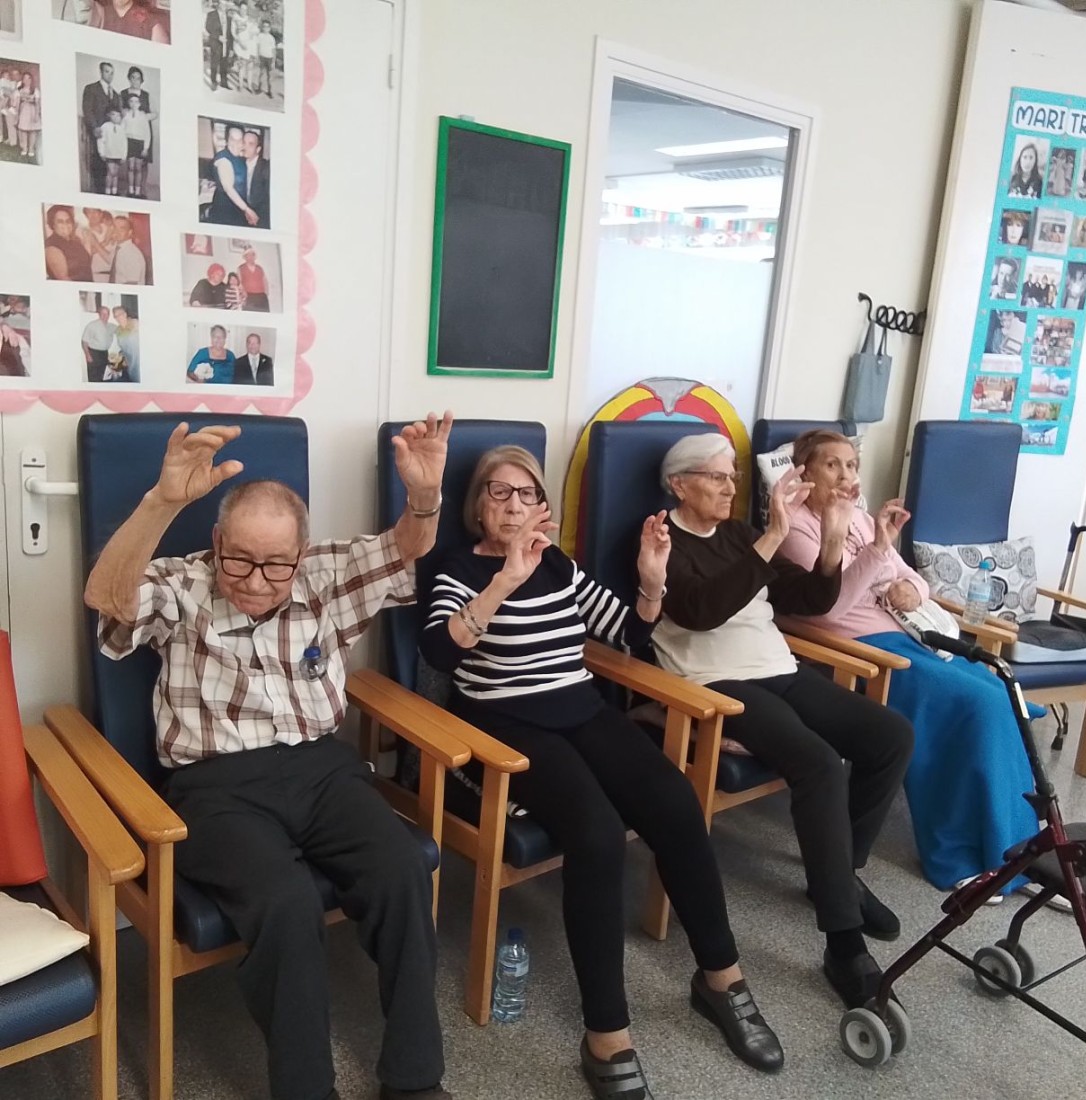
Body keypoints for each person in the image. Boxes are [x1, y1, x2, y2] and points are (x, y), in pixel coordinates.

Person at [85, 415, 455, 1100]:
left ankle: (414, 1080)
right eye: (240, 559)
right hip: (216, 787)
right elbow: (105, 597)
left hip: (322, 769)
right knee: (285, 904)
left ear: (300, 553)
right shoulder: (181, 583)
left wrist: (425, 496)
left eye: (277, 564)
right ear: (217, 543)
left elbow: (407, 546)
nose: (257, 580)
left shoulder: (326, 574)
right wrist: (161, 503)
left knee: (402, 871)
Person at [421, 445, 785, 1095]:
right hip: (504, 722)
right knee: (595, 835)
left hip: (582, 708)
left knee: (675, 803)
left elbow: (627, 633)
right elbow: (439, 654)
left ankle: (720, 978)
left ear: (543, 507)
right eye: (498, 492)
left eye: (527, 493)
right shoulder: (457, 568)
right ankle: (607, 1033)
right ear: (478, 506)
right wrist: (504, 579)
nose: (514, 505)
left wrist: (650, 582)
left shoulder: (557, 563)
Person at [649, 435, 913, 1012]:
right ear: (679, 485)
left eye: (733, 477)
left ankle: (838, 874)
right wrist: (772, 534)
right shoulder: (660, 539)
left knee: (890, 737)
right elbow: (699, 611)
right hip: (716, 682)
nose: (730, 487)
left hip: (778, 668)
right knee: (819, 763)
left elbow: (809, 598)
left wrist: (835, 536)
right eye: (717, 477)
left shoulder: (738, 535)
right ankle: (843, 944)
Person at [778, 429, 1040, 902]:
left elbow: (913, 578)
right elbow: (827, 609)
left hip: (905, 635)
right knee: (977, 705)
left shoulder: (860, 519)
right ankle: (961, 855)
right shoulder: (796, 527)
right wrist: (878, 551)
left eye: (851, 465)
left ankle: (1022, 852)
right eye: (832, 465)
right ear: (805, 472)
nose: (845, 475)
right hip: (856, 650)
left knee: (1003, 694)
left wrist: (910, 590)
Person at [208, 124, 257, 227]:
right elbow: (228, 188)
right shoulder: (223, 159)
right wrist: (247, 210)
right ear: (227, 140)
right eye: (232, 139)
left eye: (239, 140)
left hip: (238, 206)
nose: (236, 144)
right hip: (225, 209)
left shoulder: (240, 157)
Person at [82, 61, 120, 193]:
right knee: (98, 160)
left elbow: (117, 115)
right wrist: (94, 127)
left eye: (112, 73)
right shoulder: (91, 88)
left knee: (111, 162)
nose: (110, 75)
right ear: (101, 72)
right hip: (97, 132)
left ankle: (110, 190)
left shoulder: (116, 95)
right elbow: (87, 110)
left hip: (111, 135)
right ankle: (99, 190)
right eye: (107, 72)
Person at [44, 205, 94, 282]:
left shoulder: (74, 242)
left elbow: (85, 264)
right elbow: (63, 279)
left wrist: (87, 241)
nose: (66, 224)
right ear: (52, 224)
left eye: (68, 221)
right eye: (60, 221)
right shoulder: (51, 246)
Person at [122, 91, 152, 198]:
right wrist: (123, 145)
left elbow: (147, 133)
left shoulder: (143, 116)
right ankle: (130, 190)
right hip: (129, 142)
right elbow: (122, 130)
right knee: (130, 167)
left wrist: (145, 148)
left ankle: (137, 191)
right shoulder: (126, 116)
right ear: (128, 103)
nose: (133, 104)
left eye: (136, 102)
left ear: (139, 104)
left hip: (139, 143)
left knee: (138, 168)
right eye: (131, 101)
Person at [243, 129, 270, 230]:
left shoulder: (266, 167)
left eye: (250, 144)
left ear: (258, 149)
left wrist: (255, 217)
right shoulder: (239, 163)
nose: (245, 147)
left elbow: (268, 200)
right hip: (243, 212)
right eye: (244, 142)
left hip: (261, 216)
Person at [82, 305, 117, 382]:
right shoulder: (92, 325)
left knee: (104, 375)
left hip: (104, 353)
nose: (104, 316)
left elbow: (121, 330)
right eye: (102, 313)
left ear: (109, 315)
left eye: (106, 314)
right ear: (99, 314)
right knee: (94, 377)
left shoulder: (111, 326)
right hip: (94, 354)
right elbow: (84, 342)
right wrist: (87, 355)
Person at [96, 106, 127, 196]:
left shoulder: (121, 128)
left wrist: (124, 155)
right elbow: (101, 140)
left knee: (116, 173)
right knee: (110, 172)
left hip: (118, 154)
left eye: (118, 115)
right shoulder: (105, 126)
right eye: (113, 115)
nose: (116, 117)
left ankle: (114, 191)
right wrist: (101, 153)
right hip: (109, 153)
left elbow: (124, 142)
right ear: (109, 115)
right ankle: (108, 191)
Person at [206, 0, 234, 90]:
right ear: (218, 4)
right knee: (214, 64)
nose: (224, 6)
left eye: (225, 4)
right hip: (216, 43)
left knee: (224, 64)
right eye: (222, 4)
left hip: (226, 45)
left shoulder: (229, 18)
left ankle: (224, 82)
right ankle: (213, 82)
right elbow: (208, 28)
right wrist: (218, 37)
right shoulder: (211, 15)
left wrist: (231, 48)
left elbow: (230, 34)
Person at [111, 216, 147, 285]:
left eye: (122, 229)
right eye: (115, 227)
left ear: (129, 232)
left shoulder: (132, 254)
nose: (117, 232)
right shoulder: (119, 249)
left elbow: (132, 284)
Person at [13, 71, 40, 161]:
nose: (27, 80)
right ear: (22, 80)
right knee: (23, 130)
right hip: (23, 111)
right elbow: (17, 103)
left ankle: (31, 148)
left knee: (32, 131)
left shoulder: (35, 90)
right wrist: (17, 114)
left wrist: (36, 114)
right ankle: (24, 148)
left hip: (32, 112)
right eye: (25, 78)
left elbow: (37, 103)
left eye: (29, 78)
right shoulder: (19, 90)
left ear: (31, 80)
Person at [110, 304, 139, 381]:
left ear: (125, 314)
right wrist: (118, 359)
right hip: (130, 363)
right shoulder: (118, 331)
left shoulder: (136, 323)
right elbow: (122, 347)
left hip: (140, 360)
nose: (118, 318)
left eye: (119, 314)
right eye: (115, 316)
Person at [238, 246, 270, 310]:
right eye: (248, 255)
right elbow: (239, 283)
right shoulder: (240, 268)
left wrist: (266, 293)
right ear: (245, 257)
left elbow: (265, 281)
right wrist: (242, 293)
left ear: (254, 257)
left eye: (252, 255)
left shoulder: (260, 268)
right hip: (248, 297)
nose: (250, 257)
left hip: (261, 296)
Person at [256, 19, 277, 97]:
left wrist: (273, 62)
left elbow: (274, 50)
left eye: (267, 27)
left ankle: (270, 91)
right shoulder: (260, 36)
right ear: (262, 27)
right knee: (261, 74)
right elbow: (258, 47)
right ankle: (259, 89)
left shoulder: (271, 38)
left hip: (269, 58)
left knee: (270, 76)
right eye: (264, 26)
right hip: (262, 57)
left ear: (269, 28)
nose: (265, 28)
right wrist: (257, 57)